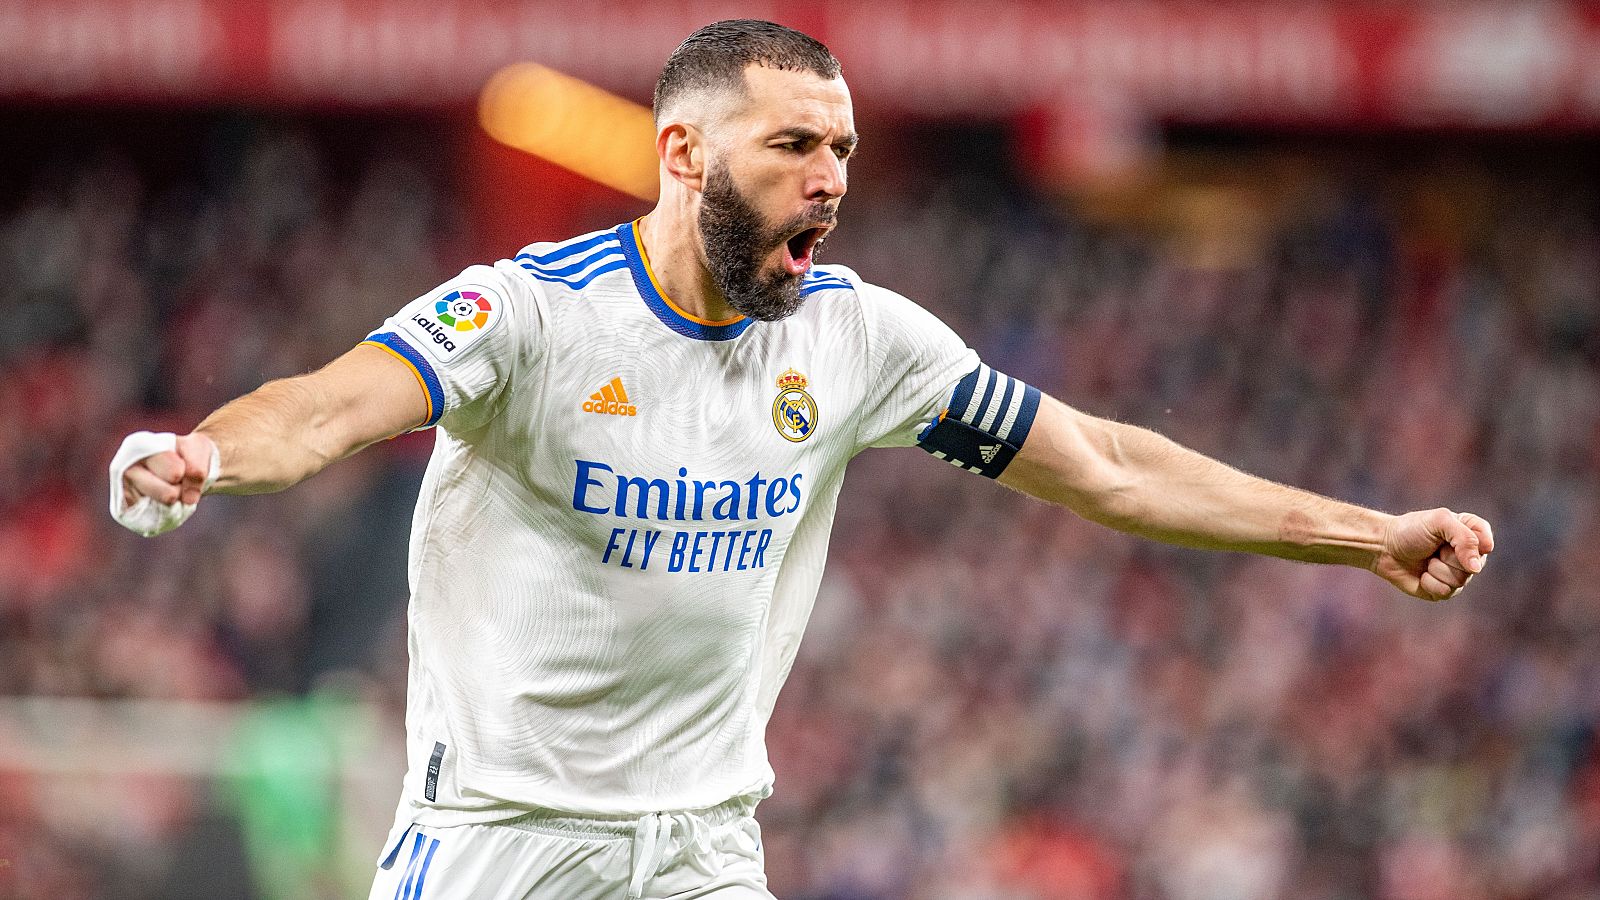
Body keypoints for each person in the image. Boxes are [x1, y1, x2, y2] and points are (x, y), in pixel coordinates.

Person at [110, 19, 1494, 900]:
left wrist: (1366, 534)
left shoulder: (857, 340)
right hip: (501, 846)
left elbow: (1111, 467)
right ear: (682, 153)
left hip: (705, 853)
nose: (830, 177)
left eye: (841, 147)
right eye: (791, 146)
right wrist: (203, 457)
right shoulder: (527, 316)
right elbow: (326, 407)